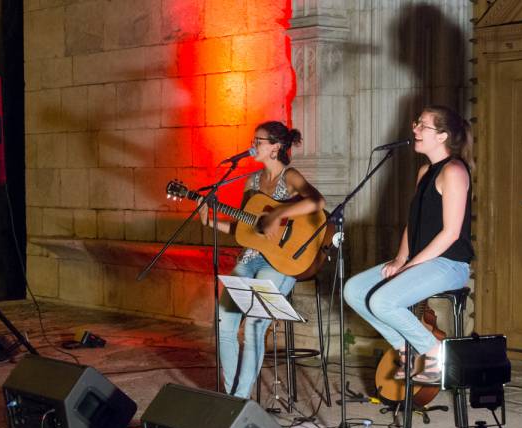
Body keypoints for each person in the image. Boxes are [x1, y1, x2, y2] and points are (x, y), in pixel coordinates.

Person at [344, 105, 474, 384]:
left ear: (442, 136)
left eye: (422, 125)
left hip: (450, 264)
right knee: (354, 290)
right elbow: (412, 225)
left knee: (382, 301)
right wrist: (400, 260)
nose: (414, 129)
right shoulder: (425, 171)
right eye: (416, 123)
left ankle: (434, 352)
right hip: (422, 261)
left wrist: (409, 266)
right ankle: (407, 349)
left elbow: (450, 234)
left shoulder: (454, 171)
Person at [198, 120, 325, 398]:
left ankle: (240, 400)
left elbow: (317, 201)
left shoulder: (290, 176)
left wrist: (278, 215)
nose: (252, 145)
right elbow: (245, 230)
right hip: (250, 257)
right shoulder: (251, 181)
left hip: (280, 261)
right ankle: (231, 393)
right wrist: (211, 222)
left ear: (276, 147)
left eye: (259, 141)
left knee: (256, 324)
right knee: (224, 322)